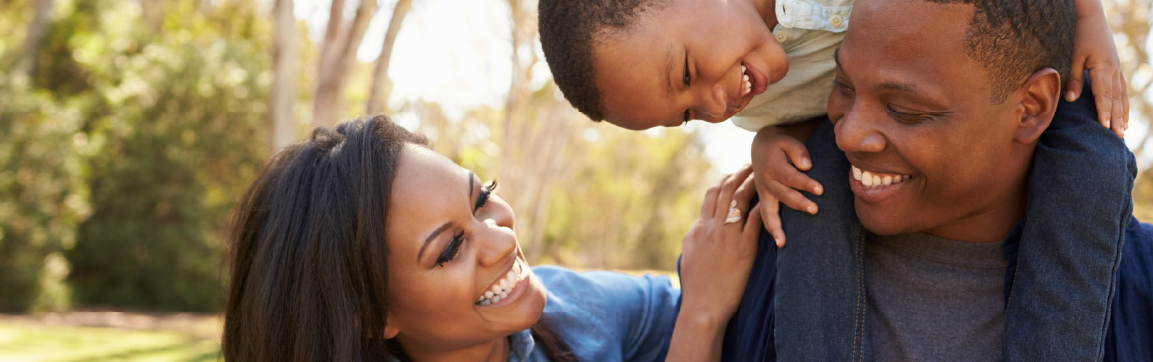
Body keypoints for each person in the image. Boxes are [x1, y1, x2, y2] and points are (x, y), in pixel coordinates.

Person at [537, 0, 1131, 359]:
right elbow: (806, 118)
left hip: (1011, 80)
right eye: (688, 114)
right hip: (877, 137)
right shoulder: (751, 99)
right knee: (810, 186)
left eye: (688, 73)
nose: (716, 105)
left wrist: (1086, 18)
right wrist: (766, 141)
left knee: (1095, 161)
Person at [722, 0, 1153, 360]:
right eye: (843, 86)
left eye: (907, 110)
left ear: (1032, 109)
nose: (851, 135)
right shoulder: (747, 265)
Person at [221, 115, 763, 361]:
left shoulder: (567, 308)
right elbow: (700, 308)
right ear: (371, 315)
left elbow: (710, 298)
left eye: (481, 199)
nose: (502, 241)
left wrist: (779, 141)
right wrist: (702, 319)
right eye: (450, 249)